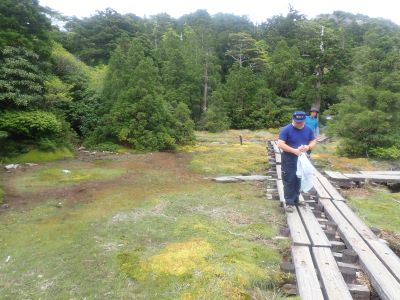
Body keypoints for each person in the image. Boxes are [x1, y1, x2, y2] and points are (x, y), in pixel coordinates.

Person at [277, 111, 317, 212]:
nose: (299, 124)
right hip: (289, 158)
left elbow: (313, 141)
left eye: (301, 122)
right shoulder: (286, 129)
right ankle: (289, 202)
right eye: (297, 122)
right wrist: (293, 150)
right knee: (289, 179)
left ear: (304, 120)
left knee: (299, 179)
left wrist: (308, 147)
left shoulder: (308, 129)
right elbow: (280, 144)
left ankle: (296, 199)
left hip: (302, 158)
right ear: (293, 119)